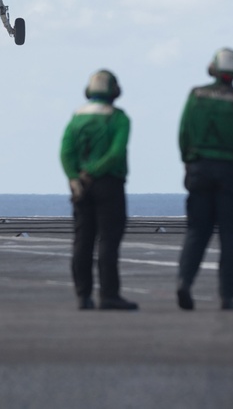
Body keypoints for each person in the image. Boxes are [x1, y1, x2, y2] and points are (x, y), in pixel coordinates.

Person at [176, 48, 233, 311]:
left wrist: (187, 162)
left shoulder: (196, 96)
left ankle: (184, 282)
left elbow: (183, 132)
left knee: (196, 232)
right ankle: (226, 296)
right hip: (228, 171)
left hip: (199, 169)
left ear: (213, 68)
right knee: (231, 236)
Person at [59, 69, 138, 311]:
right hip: (108, 184)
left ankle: (83, 295)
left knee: (82, 239)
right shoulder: (119, 118)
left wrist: (74, 177)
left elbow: (66, 152)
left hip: (80, 187)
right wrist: (93, 172)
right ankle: (109, 295)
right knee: (108, 240)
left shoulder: (76, 118)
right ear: (114, 91)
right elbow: (115, 154)